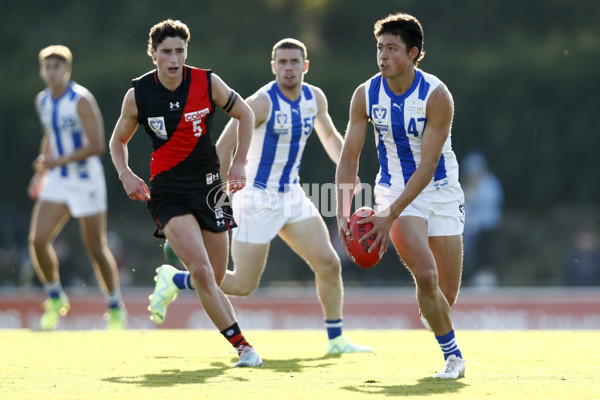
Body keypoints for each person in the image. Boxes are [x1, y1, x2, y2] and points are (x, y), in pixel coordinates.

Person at [160, 38, 372, 355]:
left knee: (329, 263)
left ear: (305, 66)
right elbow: (222, 146)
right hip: (255, 199)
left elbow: (328, 135)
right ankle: (177, 280)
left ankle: (336, 340)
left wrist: (349, 170)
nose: (289, 68)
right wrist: (218, 192)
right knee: (243, 284)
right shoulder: (261, 102)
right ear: (273, 67)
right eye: (282, 62)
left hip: (292, 196)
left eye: (294, 62)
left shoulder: (314, 97)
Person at [109, 19, 262, 367]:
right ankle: (244, 348)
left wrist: (238, 163)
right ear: (153, 54)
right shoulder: (139, 95)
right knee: (204, 274)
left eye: (180, 51)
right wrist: (126, 174)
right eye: (166, 52)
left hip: (211, 189)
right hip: (168, 192)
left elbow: (245, 114)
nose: (174, 58)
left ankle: (171, 276)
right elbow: (117, 141)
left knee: (217, 278)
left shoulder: (207, 82)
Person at [335, 13, 466, 378]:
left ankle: (434, 316)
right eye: (379, 48)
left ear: (413, 53)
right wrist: (342, 211)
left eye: (392, 48)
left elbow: (427, 167)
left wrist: (390, 214)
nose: (383, 56)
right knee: (425, 276)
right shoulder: (365, 94)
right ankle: (454, 358)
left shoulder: (436, 96)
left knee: (445, 293)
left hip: (440, 190)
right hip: (393, 190)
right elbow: (349, 156)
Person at [28, 45, 127, 331]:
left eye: (56, 67)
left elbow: (97, 145)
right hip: (58, 178)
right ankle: (56, 297)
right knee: (38, 240)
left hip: (85, 180)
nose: (51, 72)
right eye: (47, 67)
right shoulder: (42, 101)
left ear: (67, 71)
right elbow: (50, 134)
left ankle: (115, 306)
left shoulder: (81, 100)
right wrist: (43, 171)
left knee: (95, 247)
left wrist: (59, 160)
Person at [461, 150, 503, 285]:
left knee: (486, 252)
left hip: (488, 225)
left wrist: (474, 194)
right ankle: (474, 276)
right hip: (472, 228)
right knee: (472, 254)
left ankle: (487, 277)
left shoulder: (489, 183)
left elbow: (491, 202)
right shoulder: (467, 186)